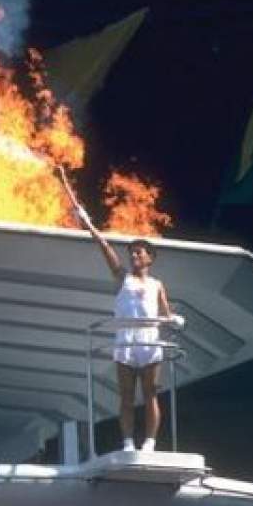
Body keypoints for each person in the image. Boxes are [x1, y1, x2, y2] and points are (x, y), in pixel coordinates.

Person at [59, 168, 177, 452]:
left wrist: (175, 320)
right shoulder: (122, 277)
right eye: (132, 252)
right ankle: (127, 443)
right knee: (125, 396)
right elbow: (104, 246)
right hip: (125, 343)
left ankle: (148, 443)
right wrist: (87, 222)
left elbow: (165, 314)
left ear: (150, 257)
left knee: (150, 394)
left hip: (149, 344)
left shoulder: (158, 284)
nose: (134, 255)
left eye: (139, 252)